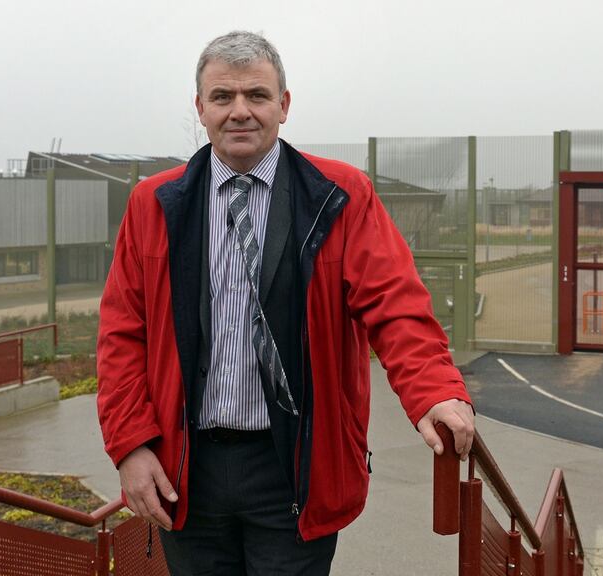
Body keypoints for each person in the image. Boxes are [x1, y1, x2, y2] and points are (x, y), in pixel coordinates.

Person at [96, 30, 475, 575]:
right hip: (185, 469)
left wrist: (434, 391)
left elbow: (394, 304)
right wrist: (132, 446)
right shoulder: (154, 203)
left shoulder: (339, 196)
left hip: (296, 469)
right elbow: (121, 335)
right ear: (200, 108)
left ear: (284, 105)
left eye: (257, 95)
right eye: (223, 97)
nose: (240, 111)